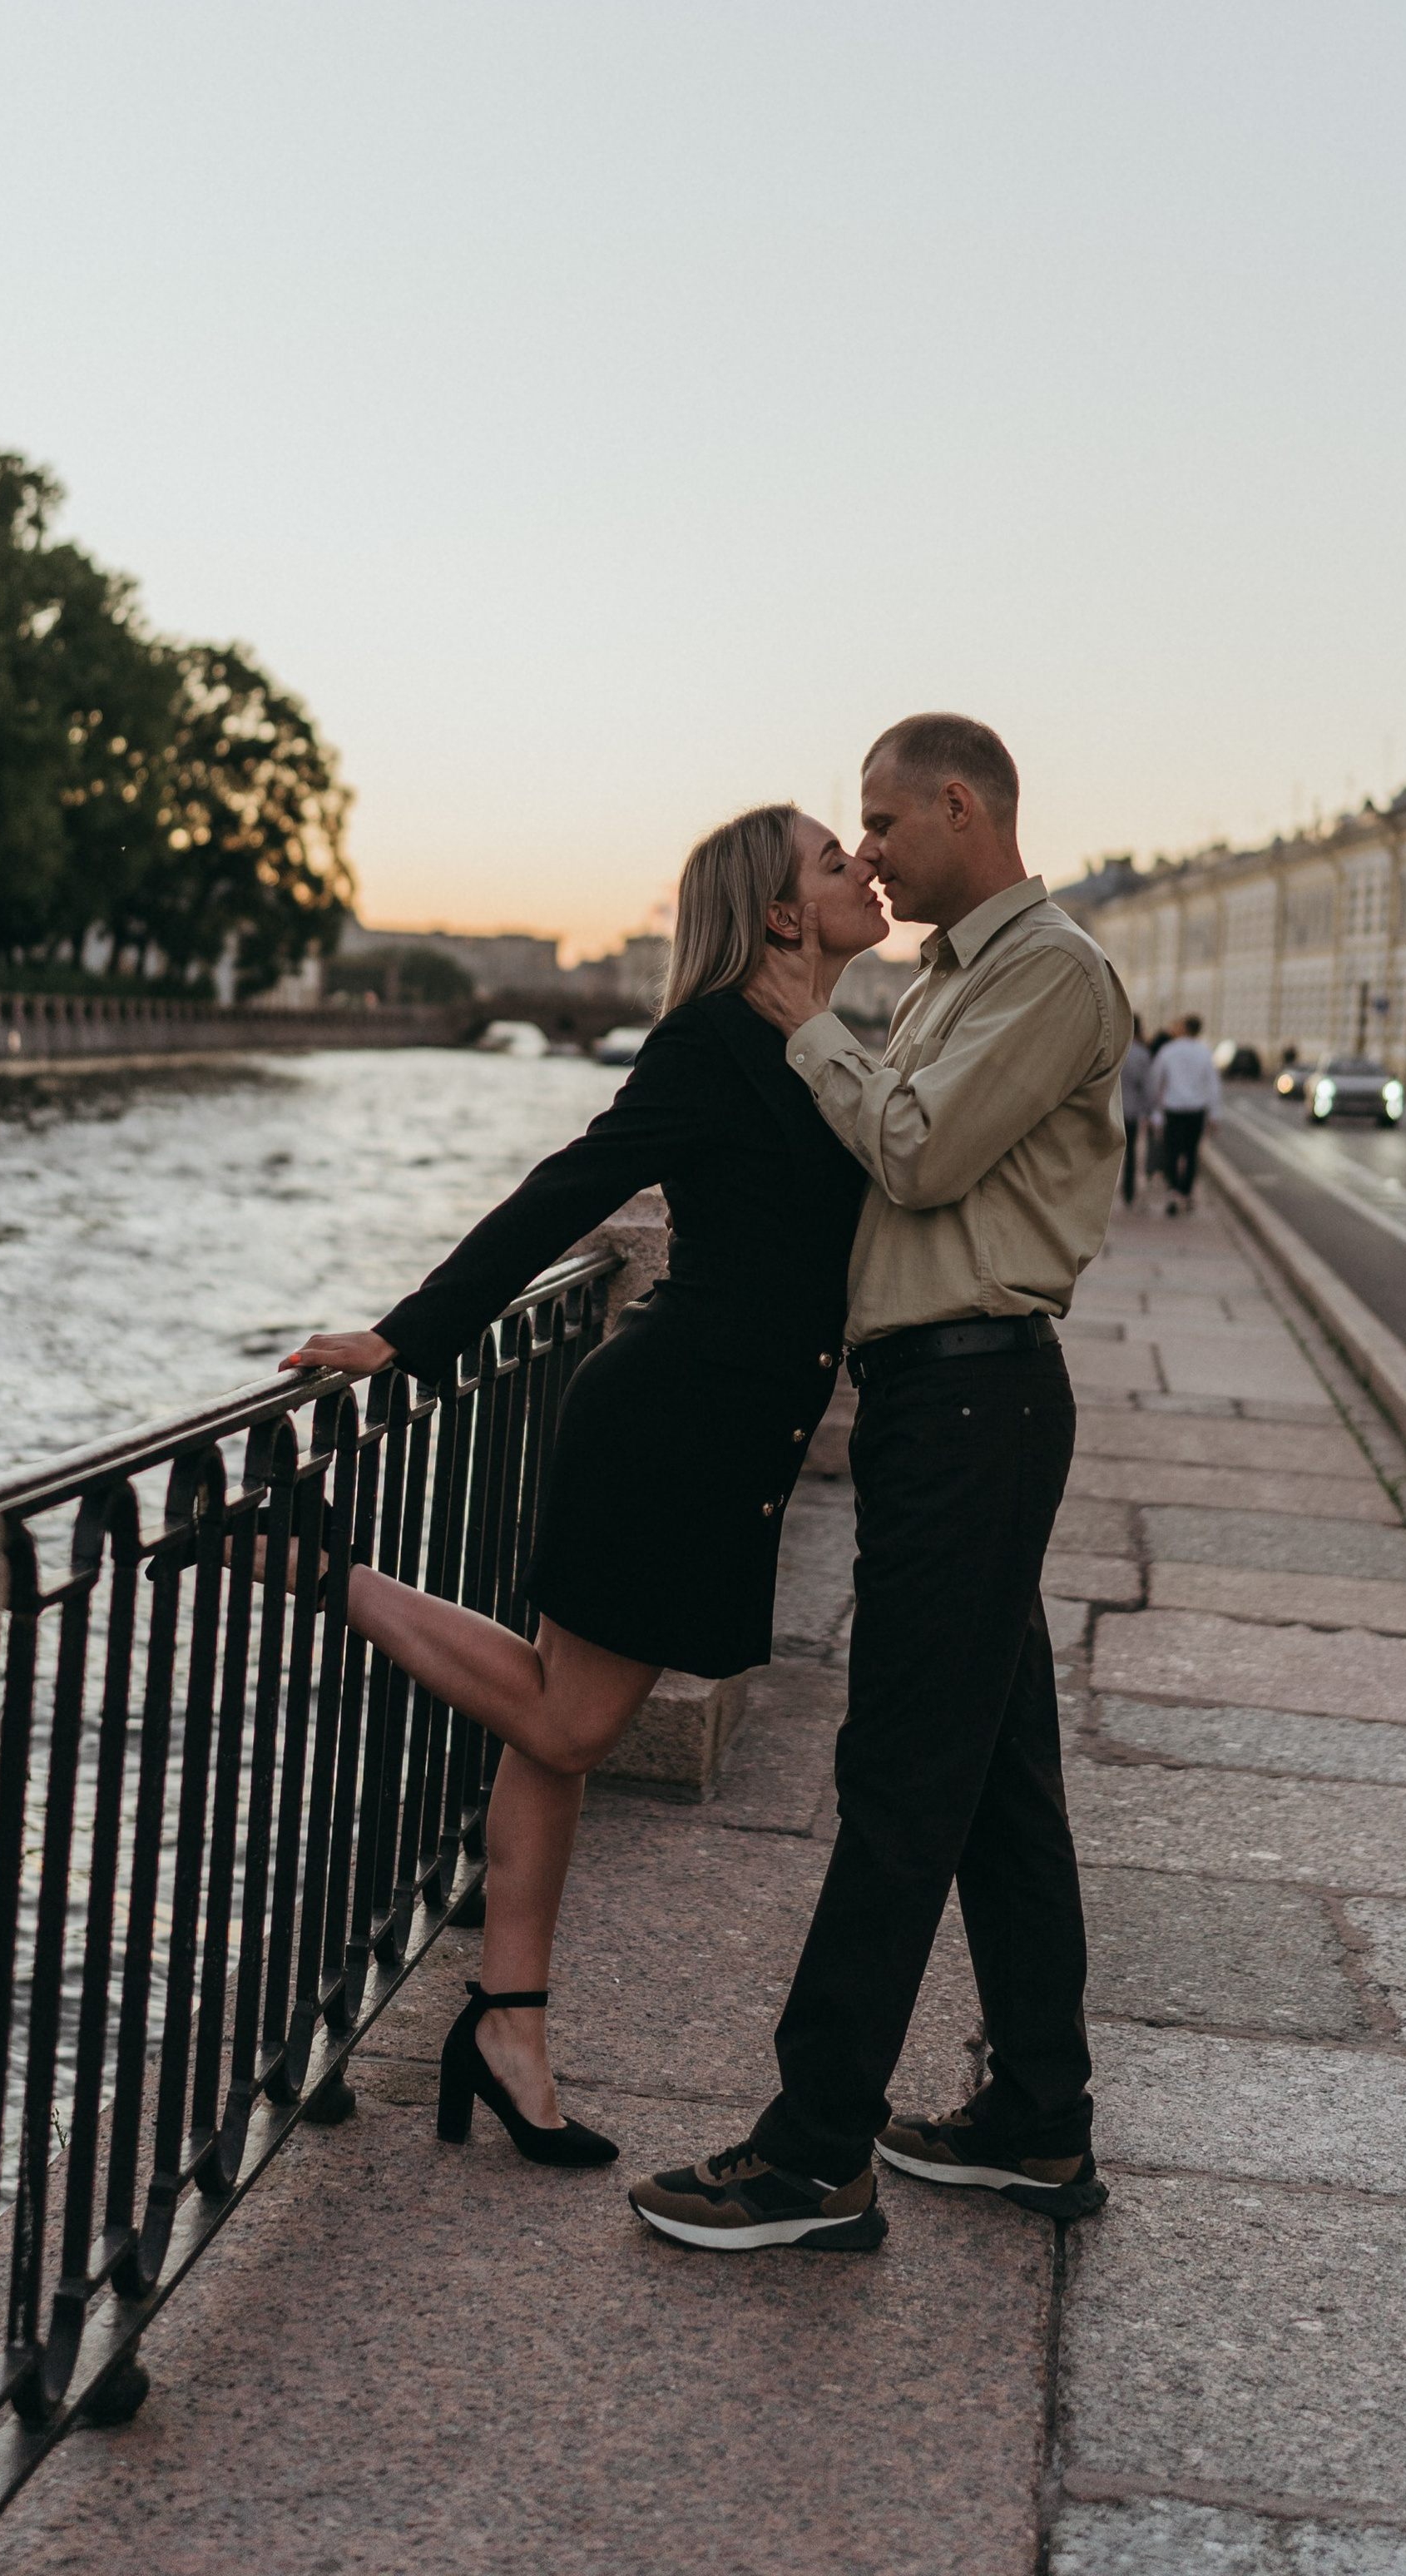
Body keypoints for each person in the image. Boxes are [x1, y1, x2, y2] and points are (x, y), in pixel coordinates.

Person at [281, 804, 883, 2169]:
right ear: (781, 912)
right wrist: (406, 1336)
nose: (865, 868)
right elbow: (571, 1186)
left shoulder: (823, 1046)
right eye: (834, 860)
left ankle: (511, 2026)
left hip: (723, 1439)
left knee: (551, 1730)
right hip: (666, 1428)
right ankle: (317, 1570)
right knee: (567, 1721)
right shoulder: (711, 1039)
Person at [626, 712, 1130, 2256]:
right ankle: (1038, 2115)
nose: (869, 854)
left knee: (901, 1778)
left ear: (960, 807)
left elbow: (914, 1155)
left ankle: (812, 2152)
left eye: (885, 825)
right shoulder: (948, 980)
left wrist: (803, 1022)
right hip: (942, 1402)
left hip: (976, 1401)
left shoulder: (1050, 972)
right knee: (998, 1783)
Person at [1148, 1012, 1220, 1213]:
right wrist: (1214, 1115)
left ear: (1184, 1028)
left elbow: (1156, 1081)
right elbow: (1212, 1085)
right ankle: (1186, 1192)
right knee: (1191, 1153)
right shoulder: (1204, 1052)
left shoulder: (1169, 1050)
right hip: (1196, 1110)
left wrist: (1156, 1112)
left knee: (1172, 1151)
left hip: (1173, 1109)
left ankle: (1173, 1191)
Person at [1118, 1018, 1154, 1206]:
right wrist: (1148, 1111)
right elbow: (1147, 1086)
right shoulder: (1141, 1054)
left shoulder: (1114, 1048)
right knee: (1130, 1152)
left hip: (1110, 1109)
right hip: (1131, 1111)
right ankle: (1128, 1192)